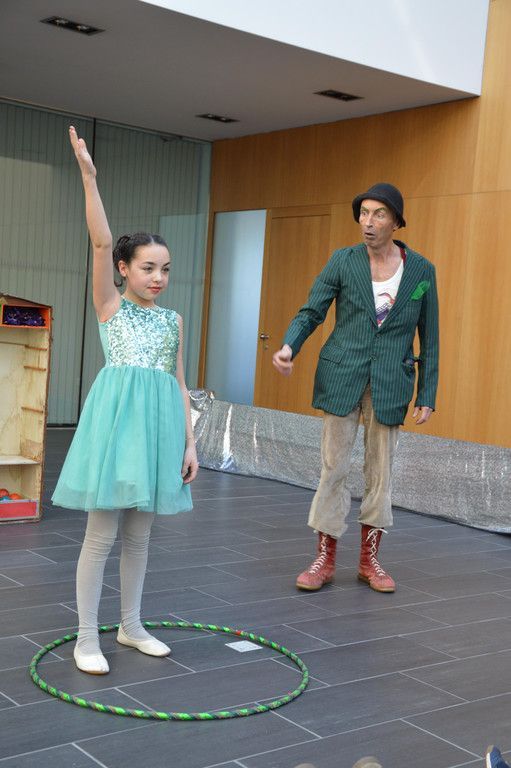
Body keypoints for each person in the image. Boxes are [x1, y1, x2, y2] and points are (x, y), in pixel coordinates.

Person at [52, 126, 198, 674]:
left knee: (140, 537)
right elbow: (98, 240)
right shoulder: (110, 306)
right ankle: (86, 636)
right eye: (147, 267)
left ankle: (131, 625)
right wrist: (89, 178)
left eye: (165, 269)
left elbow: (179, 383)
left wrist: (189, 444)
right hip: (117, 430)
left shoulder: (173, 320)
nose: (158, 277)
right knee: (101, 536)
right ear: (123, 269)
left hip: (159, 432)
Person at [273, 183, 438, 594]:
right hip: (342, 374)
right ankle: (324, 558)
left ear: (396, 221)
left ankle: (369, 561)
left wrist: (428, 393)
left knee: (380, 472)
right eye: (363, 213)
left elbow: (430, 336)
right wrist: (290, 346)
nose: (368, 222)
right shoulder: (343, 261)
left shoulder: (421, 271)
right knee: (334, 468)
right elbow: (311, 311)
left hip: (391, 382)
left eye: (378, 214)